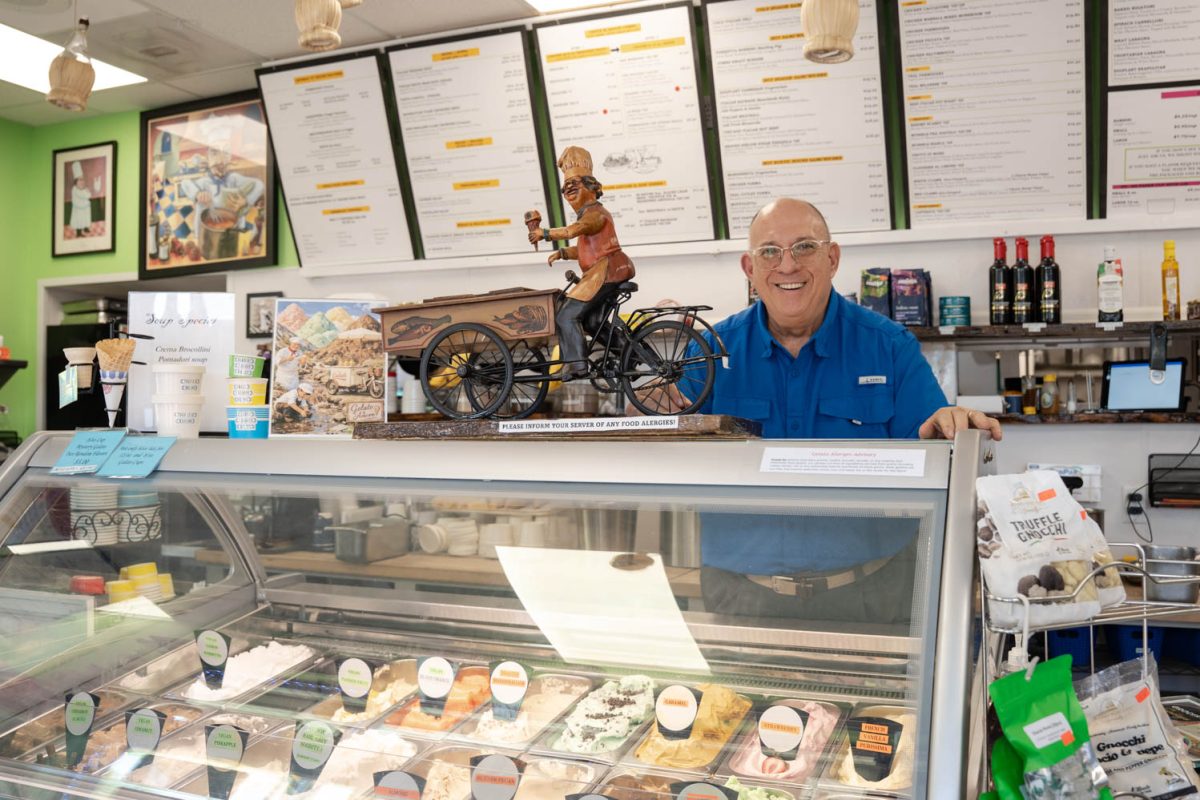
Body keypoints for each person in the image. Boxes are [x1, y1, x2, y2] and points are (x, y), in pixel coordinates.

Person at [695, 197, 1002, 623]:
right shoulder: (708, 352)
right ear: (750, 269)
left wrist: (954, 425)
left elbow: (934, 437)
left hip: (872, 596)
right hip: (741, 597)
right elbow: (657, 435)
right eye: (769, 252)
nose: (787, 266)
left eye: (804, 247)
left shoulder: (888, 346)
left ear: (832, 257)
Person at [527, 146, 635, 379]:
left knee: (566, 315)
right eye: (567, 189)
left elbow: (572, 230)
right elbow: (589, 248)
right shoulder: (592, 214)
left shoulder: (594, 214)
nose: (569, 191)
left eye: (574, 185)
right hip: (607, 268)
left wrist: (543, 234)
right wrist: (564, 254)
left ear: (592, 189)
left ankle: (577, 365)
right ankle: (631, 355)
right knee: (594, 322)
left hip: (606, 271)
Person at [178, 140, 265, 234]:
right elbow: (184, 183)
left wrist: (246, 201)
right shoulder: (203, 182)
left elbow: (259, 185)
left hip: (233, 230)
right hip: (207, 231)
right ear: (207, 158)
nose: (220, 161)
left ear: (230, 158)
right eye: (214, 153)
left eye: (226, 154)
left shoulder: (234, 179)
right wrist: (197, 193)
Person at [69, 168, 100, 237]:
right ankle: (79, 232)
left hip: (85, 207)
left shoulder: (84, 188)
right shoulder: (75, 189)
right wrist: (86, 193)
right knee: (79, 220)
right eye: (80, 180)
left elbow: (89, 194)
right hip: (78, 208)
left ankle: (86, 228)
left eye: (82, 180)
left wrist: (87, 192)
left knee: (85, 218)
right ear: (76, 182)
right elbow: (86, 195)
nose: (82, 182)